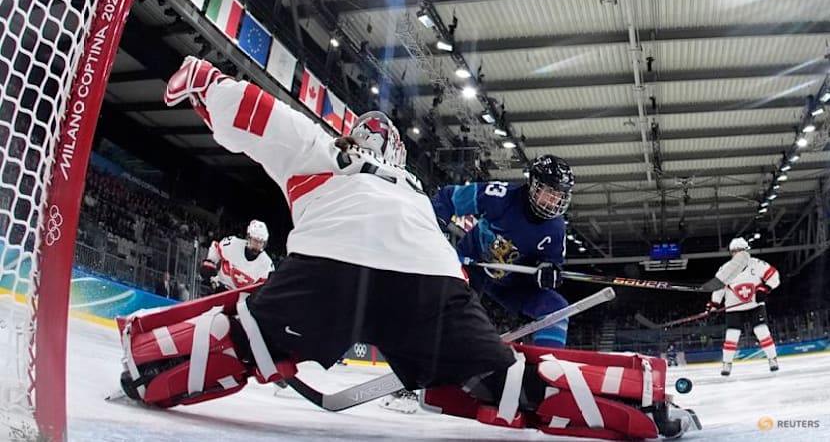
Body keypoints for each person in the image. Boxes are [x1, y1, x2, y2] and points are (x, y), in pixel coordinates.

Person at [114, 57, 697, 440]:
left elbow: (262, 116)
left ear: (356, 139)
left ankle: (146, 367)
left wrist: (201, 83)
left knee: (243, 337)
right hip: (432, 282)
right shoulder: (413, 190)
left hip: (330, 271)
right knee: (508, 382)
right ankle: (647, 408)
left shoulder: (330, 155)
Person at [431, 154, 574, 348]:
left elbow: (551, 264)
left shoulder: (555, 230)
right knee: (458, 315)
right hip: (470, 267)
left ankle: (547, 368)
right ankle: (441, 350)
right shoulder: (499, 196)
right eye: (549, 191)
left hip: (511, 284)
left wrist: (547, 273)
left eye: (559, 195)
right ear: (533, 184)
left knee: (557, 309)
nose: (553, 200)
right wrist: (435, 230)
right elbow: (448, 198)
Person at [703, 237, 780, 376]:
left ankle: (772, 359)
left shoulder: (757, 264)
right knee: (732, 335)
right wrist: (714, 305)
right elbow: (718, 290)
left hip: (755, 305)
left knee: (762, 331)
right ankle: (727, 364)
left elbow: (774, 276)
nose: (737, 254)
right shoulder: (725, 269)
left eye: (739, 251)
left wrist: (765, 289)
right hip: (734, 307)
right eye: (734, 252)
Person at [198, 220, 275, 295]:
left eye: (261, 242)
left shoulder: (267, 265)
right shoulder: (233, 244)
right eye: (255, 240)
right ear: (248, 238)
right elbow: (216, 247)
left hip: (242, 300)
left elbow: (266, 288)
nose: (257, 245)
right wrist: (210, 263)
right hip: (220, 288)